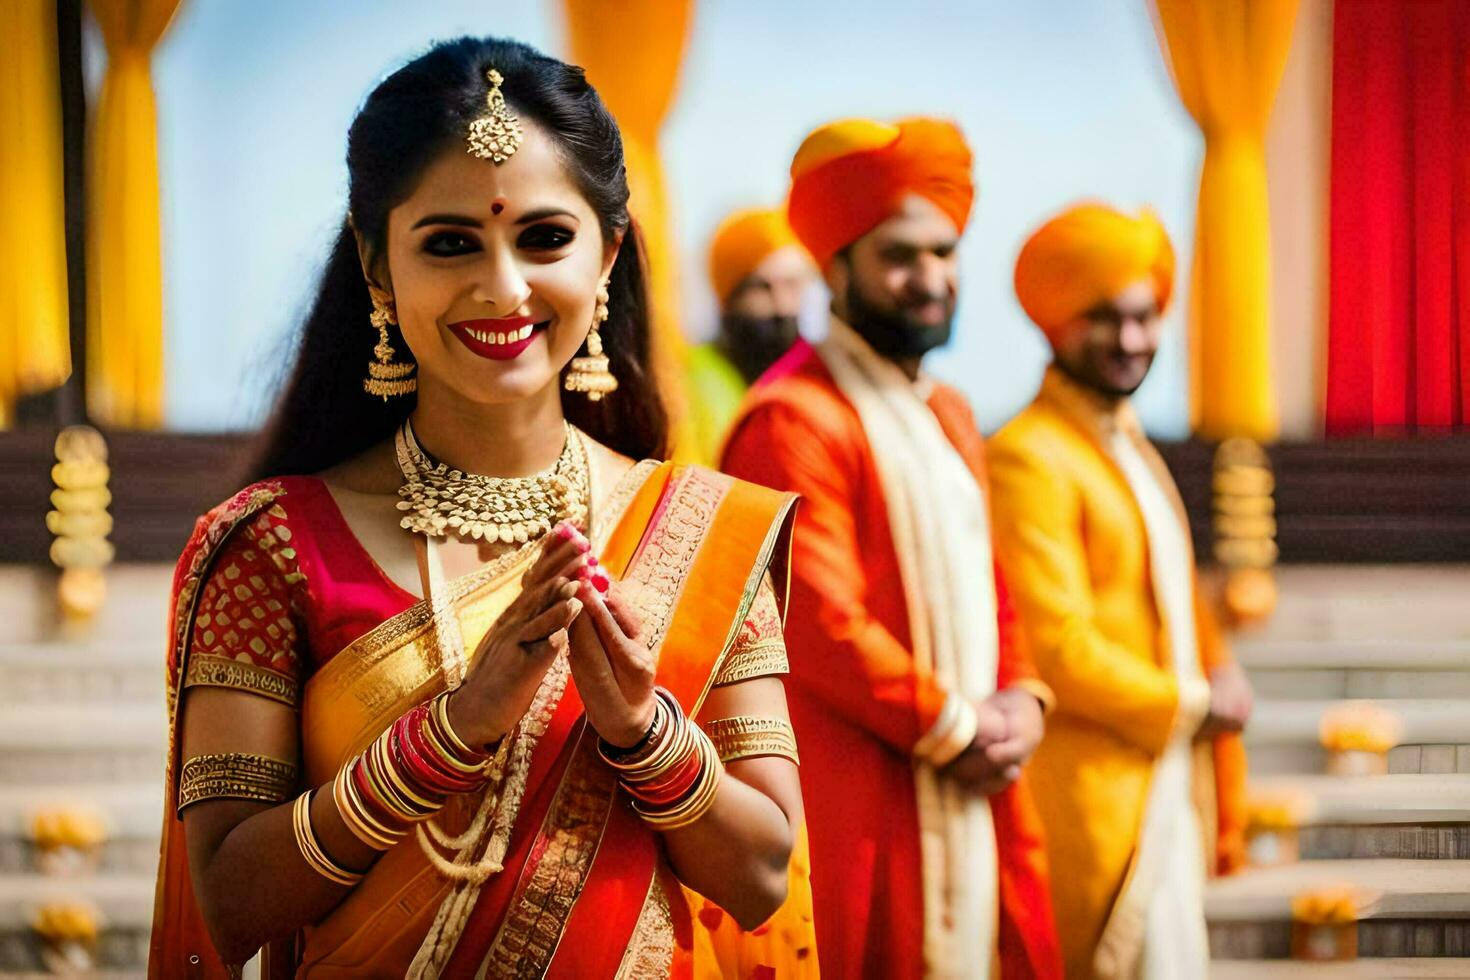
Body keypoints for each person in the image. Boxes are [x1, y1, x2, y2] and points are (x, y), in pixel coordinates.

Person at [149, 37, 811, 978]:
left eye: (544, 238)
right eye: (451, 242)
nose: (503, 287)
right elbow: (231, 901)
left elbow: (763, 875)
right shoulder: (270, 549)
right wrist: (450, 734)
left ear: (609, 253)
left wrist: (640, 730)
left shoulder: (703, 527)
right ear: (378, 266)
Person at [720, 116, 1061, 979]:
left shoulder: (946, 410)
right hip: (865, 791)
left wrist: (1024, 696)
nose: (931, 279)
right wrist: (960, 725)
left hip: (973, 764)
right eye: (901, 256)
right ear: (836, 268)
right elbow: (822, 627)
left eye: (944, 254)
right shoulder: (791, 418)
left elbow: (994, 583)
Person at [989, 202, 1253, 979]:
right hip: (1095, 804)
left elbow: (1173, 597)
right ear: (1053, 322)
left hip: (1161, 790)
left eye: (1145, 317)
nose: (1132, 340)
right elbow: (1058, 649)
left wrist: (1219, 664)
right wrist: (1197, 704)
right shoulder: (1029, 457)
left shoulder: (1125, 444)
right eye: (1104, 318)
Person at [686, 207, 813, 463]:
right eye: (760, 288)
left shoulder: (821, 376)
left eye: (792, 285)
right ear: (727, 298)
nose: (781, 305)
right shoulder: (688, 378)